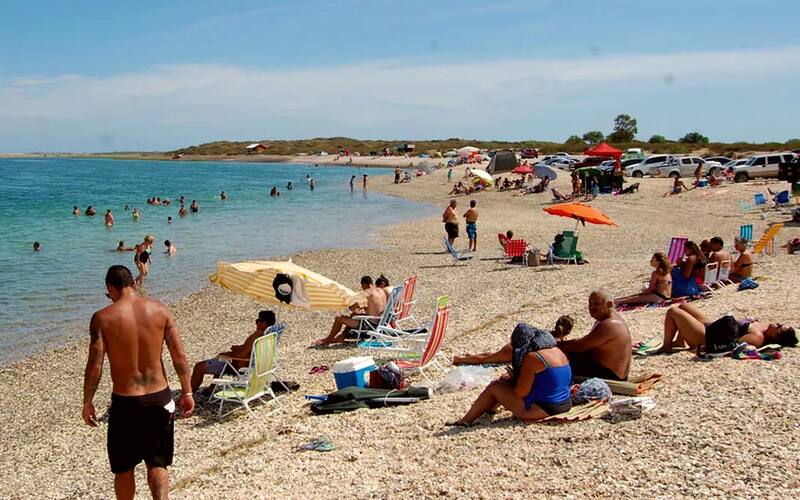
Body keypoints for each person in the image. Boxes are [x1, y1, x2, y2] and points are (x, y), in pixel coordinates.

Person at [82, 265, 193, 499]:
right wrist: (187, 391)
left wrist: (87, 402)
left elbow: (95, 365)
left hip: (126, 403)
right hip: (159, 398)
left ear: (110, 288)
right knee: (158, 463)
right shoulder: (160, 310)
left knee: (124, 468)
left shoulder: (102, 318)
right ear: (133, 283)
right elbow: (179, 355)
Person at [447, 324, 572, 426]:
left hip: (545, 409)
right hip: (565, 404)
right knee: (504, 382)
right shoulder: (557, 351)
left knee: (495, 386)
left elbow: (520, 392)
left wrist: (514, 379)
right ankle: (489, 411)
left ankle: (464, 421)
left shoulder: (533, 357)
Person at [190, 310, 276, 394]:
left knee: (199, 367)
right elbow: (248, 349)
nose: (256, 324)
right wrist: (237, 348)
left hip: (237, 366)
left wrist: (229, 355)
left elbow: (242, 354)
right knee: (221, 359)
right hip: (254, 365)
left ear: (264, 323)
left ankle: (189, 394)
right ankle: (211, 388)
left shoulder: (257, 335)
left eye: (258, 321)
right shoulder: (269, 336)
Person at [658, 303, 797, 353]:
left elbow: (733, 346)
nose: (777, 324)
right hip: (715, 327)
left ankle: (666, 346)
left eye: (779, 327)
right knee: (683, 306)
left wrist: (703, 349)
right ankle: (680, 341)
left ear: (775, 336)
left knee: (673, 312)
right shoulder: (764, 327)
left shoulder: (757, 337)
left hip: (707, 337)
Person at [558, 289, 631, 381]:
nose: (591, 308)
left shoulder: (608, 324)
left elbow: (578, 346)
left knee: (558, 358)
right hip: (617, 374)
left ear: (609, 305)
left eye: (596, 304)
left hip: (610, 376)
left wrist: (554, 345)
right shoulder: (613, 320)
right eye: (590, 304)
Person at [453, 316, 574, 365]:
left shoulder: (547, 333)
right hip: (517, 351)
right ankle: (460, 359)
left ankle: (470, 356)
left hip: (516, 344)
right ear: (568, 332)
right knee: (487, 359)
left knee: (493, 355)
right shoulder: (557, 343)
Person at [314, 276, 387, 345]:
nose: (362, 289)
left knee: (339, 318)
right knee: (353, 316)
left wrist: (350, 306)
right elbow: (376, 306)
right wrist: (364, 308)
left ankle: (327, 340)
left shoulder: (368, 292)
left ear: (364, 284)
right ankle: (342, 336)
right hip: (381, 322)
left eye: (362, 287)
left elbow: (352, 307)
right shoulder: (381, 291)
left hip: (371, 325)